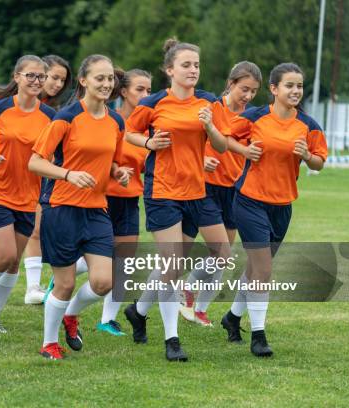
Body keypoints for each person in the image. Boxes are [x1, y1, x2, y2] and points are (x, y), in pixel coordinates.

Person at [123, 38, 230, 362]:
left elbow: (223, 146)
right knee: (172, 266)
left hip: (198, 192)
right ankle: (172, 340)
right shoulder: (154, 103)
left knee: (222, 254)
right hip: (163, 192)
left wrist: (209, 125)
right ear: (170, 70)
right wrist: (149, 142)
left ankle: (139, 310)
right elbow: (128, 132)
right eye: (186, 65)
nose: (193, 70)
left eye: (196, 65)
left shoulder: (209, 102)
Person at [220, 62, 327, 357]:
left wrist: (307, 156)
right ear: (274, 89)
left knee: (256, 268)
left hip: (282, 206)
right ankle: (258, 335)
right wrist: (243, 150)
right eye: (289, 85)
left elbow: (319, 160)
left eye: (300, 86)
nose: (296, 91)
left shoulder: (309, 125)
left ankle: (231, 317)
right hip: (249, 200)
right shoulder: (253, 117)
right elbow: (224, 138)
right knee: (264, 269)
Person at [29, 54, 131, 360]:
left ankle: (70, 316)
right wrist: (68, 174)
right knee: (65, 282)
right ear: (84, 81)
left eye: (110, 78)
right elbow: (34, 162)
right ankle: (49, 343)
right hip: (61, 208)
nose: (106, 84)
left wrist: (118, 172)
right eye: (99, 78)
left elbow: (112, 161)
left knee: (105, 281)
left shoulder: (116, 121)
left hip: (96, 209)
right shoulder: (66, 118)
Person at [0, 55, 72, 306]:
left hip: (30, 194)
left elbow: (53, 151)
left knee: (12, 261)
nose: (36, 81)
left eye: (40, 77)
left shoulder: (50, 116)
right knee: (6, 254)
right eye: (31, 75)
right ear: (17, 77)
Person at [180, 61, 262, 326]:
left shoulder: (251, 118)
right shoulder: (211, 108)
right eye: (244, 89)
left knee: (221, 259)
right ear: (231, 83)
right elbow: (189, 142)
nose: (248, 96)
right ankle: (187, 289)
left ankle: (200, 309)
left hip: (234, 191)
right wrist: (202, 160)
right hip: (205, 188)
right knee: (220, 253)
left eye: (253, 92)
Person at [97, 68, 151, 336]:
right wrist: (115, 170)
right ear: (124, 92)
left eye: (149, 91)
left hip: (130, 200)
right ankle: (60, 277)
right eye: (140, 89)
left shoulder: (150, 127)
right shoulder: (110, 121)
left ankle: (108, 319)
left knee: (125, 263)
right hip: (102, 198)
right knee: (101, 259)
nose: (145, 95)